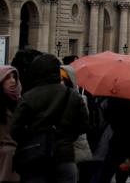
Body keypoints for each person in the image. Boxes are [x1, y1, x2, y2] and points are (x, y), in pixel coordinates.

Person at [10, 52, 88, 183]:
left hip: (35, 156)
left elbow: (15, 130)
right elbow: (84, 125)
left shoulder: (28, 97)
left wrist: (31, 137)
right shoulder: (72, 95)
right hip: (65, 155)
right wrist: (67, 137)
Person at [0, 65, 20, 182]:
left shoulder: (19, 100)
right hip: (4, 155)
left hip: (16, 155)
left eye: (14, 77)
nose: (12, 80)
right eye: (8, 77)